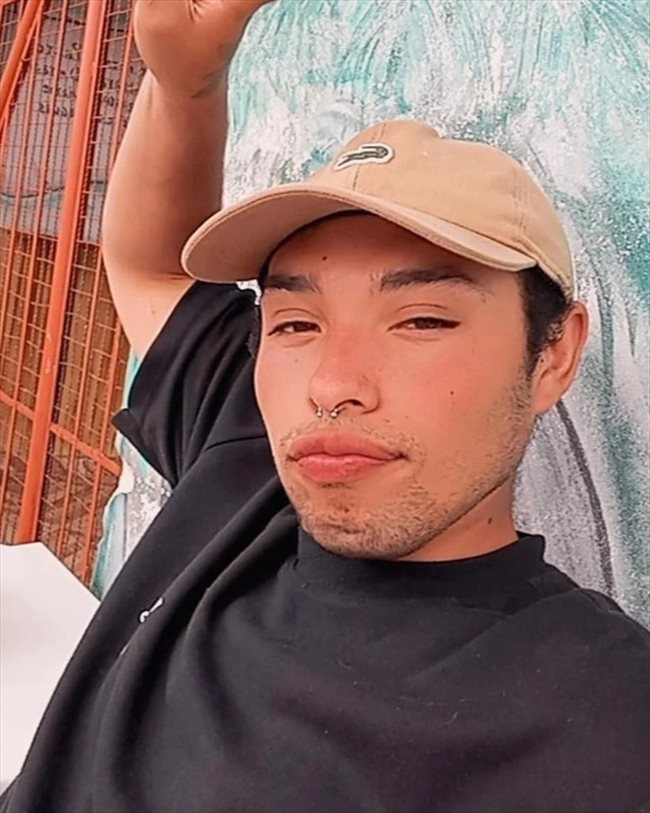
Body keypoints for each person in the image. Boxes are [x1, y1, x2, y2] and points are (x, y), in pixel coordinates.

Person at [2, 0, 649, 811]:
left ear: (553, 352)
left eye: (420, 320)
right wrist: (184, 87)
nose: (332, 382)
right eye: (295, 322)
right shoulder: (246, 467)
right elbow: (153, 268)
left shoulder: (613, 726)